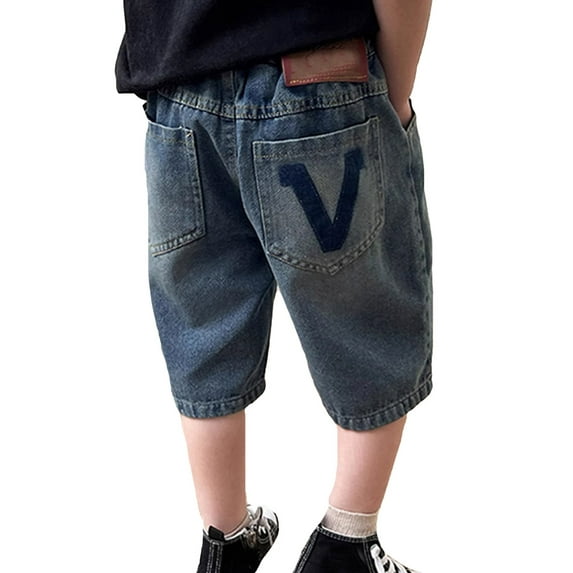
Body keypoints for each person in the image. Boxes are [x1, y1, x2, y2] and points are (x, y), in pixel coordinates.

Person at [115, 1, 433, 571]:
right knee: (369, 320)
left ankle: (226, 540)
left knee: (203, 328)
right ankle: (348, 543)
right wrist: (397, 90)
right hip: (319, 82)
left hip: (179, 96)